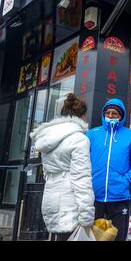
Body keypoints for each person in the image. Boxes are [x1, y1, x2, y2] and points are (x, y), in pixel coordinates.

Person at [30, 93, 94, 241]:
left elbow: (46, 172)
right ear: (82, 116)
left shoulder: (47, 138)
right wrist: (86, 215)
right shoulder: (79, 139)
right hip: (70, 201)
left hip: (50, 195)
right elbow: (81, 178)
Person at [87, 99, 131, 241]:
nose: (111, 115)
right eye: (107, 113)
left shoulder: (130, 136)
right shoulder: (92, 134)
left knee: (119, 237)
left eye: (114, 113)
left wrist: (126, 180)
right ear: (103, 114)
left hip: (120, 196)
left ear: (121, 116)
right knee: (93, 237)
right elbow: (81, 161)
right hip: (94, 196)